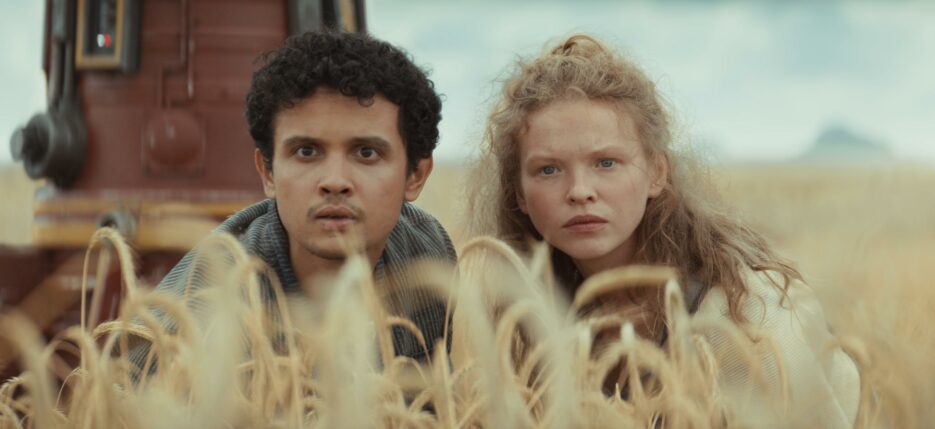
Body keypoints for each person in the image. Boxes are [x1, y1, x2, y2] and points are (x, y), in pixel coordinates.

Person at [468, 34, 860, 426]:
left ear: (656, 173)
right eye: (549, 169)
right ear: (519, 193)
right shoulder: (539, 321)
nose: (580, 191)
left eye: (606, 163)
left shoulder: (745, 318)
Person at [129, 30, 456, 369]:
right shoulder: (198, 319)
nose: (334, 181)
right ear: (268, 173)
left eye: (366, 152)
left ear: (415, 175)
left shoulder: (428, 256)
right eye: (307, 151)